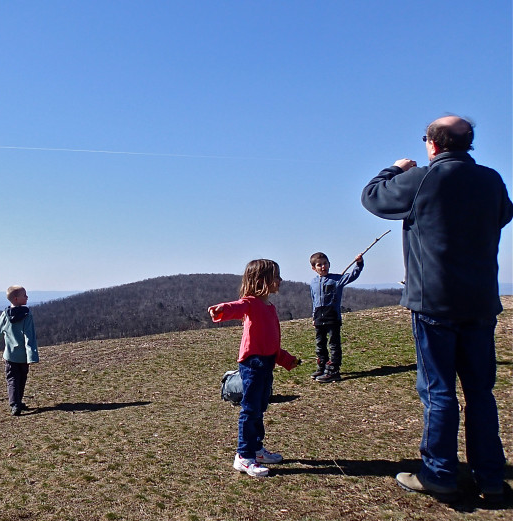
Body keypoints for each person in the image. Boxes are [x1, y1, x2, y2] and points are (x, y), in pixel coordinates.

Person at [361, 115, 512, 501]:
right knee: (481, 392)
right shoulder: (492, 180)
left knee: (438, 390)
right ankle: (491, 478)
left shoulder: (423, 178)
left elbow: (373, 196)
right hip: (480, 302)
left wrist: (397, 168)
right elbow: (504, 215)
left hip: (433, 302)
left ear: (431, 144)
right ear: (469, 144)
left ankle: (439, 473)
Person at [208, 259, 301, 478]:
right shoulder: (251, 303)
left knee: (259, 408)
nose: (280, 280)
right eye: (276, 276)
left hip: (266, 363)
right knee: (250, 410)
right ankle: (244, 456)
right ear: (261, 281)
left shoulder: (270, 307)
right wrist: (221, 310)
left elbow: (272, 343)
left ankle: (256, 450)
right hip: (253, 364)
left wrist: (287, 360)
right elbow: (237, 306)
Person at [308, 252, 364, 382]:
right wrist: (313, 317)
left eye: (325, 264)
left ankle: (333, 369)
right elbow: (314, 300)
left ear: (329, 264)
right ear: (313, 268)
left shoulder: (336, 279)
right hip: (319, 317)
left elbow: (353, 275)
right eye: (319, 265)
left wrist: (359, 263)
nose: (323, 267)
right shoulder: (313, 283)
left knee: (334, 344)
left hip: (332, 317)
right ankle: (322, 366)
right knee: (320, 344)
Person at [0, 285, 39, 415]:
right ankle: (18, 402)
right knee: (22, 378)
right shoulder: (27, 314)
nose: (27, 297)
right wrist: (32, 356)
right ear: (17, 299)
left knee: (12, 379)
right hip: (23, 355)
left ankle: (15, 404)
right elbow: (29, 336)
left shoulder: (5, 314)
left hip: (10, 355)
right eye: (25, 295)